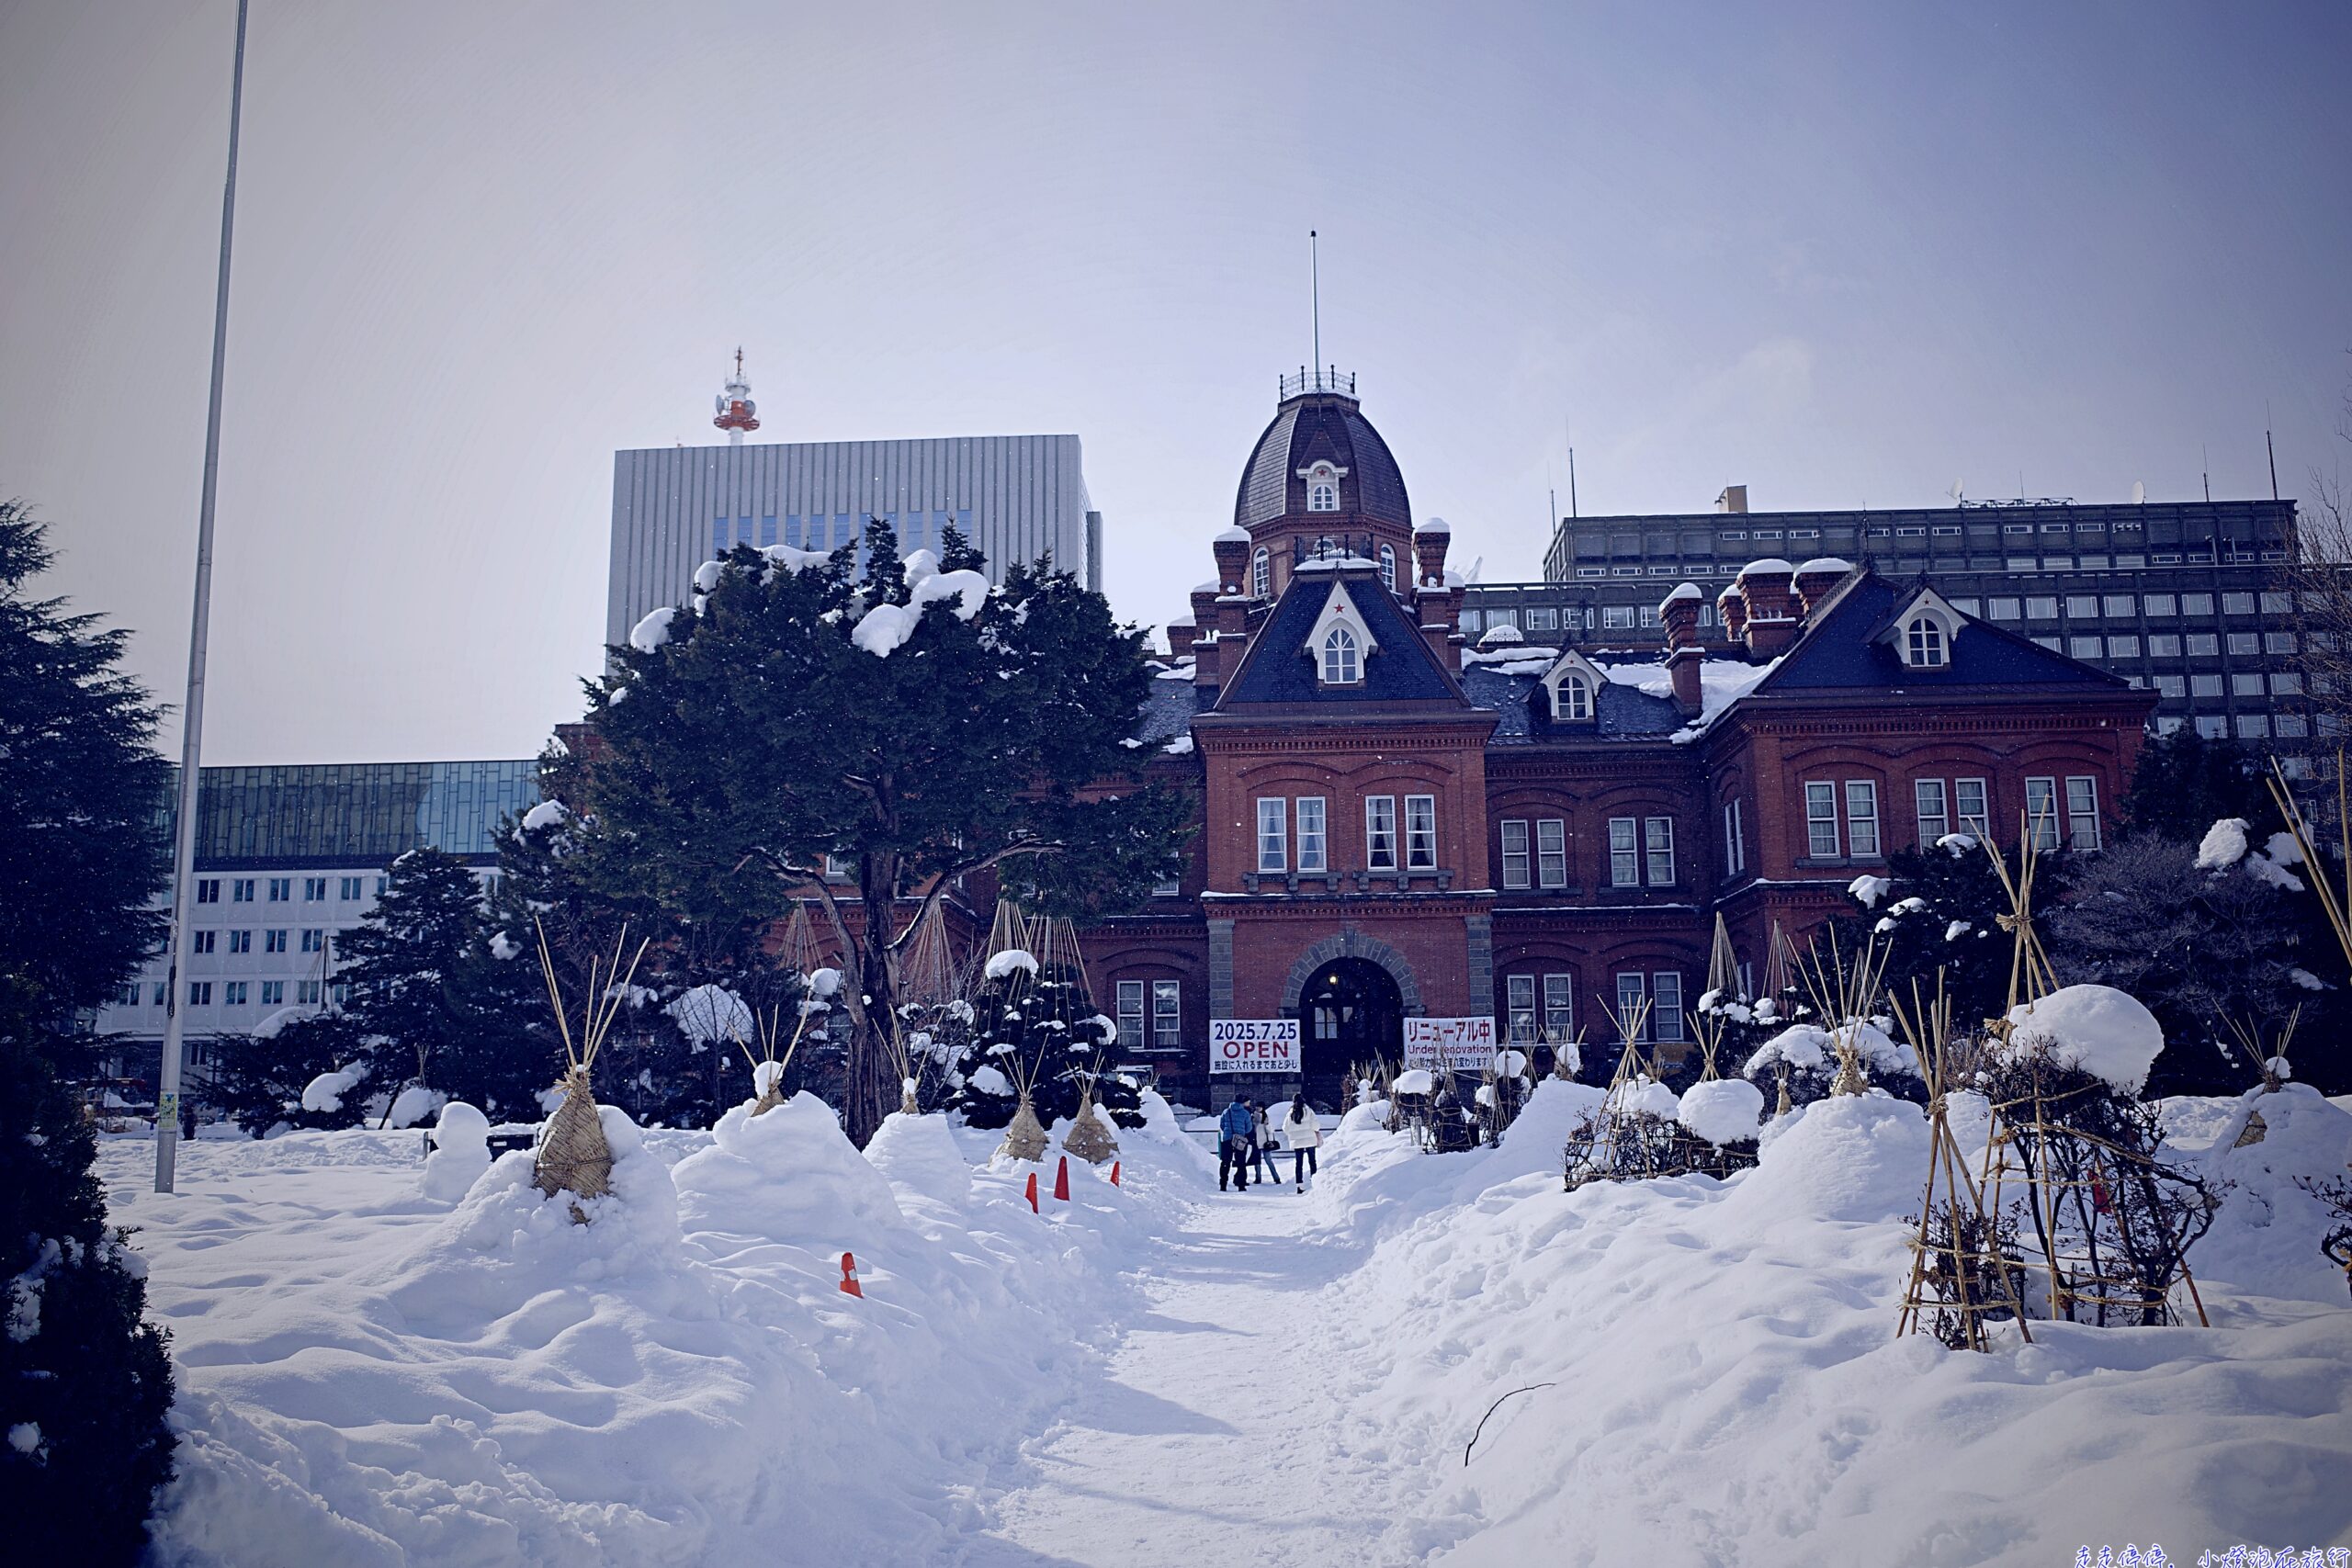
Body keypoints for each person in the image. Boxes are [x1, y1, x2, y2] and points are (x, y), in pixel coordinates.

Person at [1280, 1092, 1321, 1191]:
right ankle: (1314, 1182)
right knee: (1312, 1162)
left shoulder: (1290, 1113)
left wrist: (1293, 1134)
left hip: (1297, 1141)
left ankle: (1299, 1185)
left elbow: (1285, 1128)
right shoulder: (1308, 1111)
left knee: (1299, 1163)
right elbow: (1316, 1125)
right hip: (1309, 1139)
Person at [1217, 1096, 1255, 1191]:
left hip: (1227, 1139)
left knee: (1226, 1162)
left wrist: (1228, 1133)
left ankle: (1223, 1184)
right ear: (1242, 1103)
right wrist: (1241, 1132)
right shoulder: (1245, 1113)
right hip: (1240, 1140)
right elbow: (1249, 1128)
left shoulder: (1226, 1112)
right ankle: (1241, 1185)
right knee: (1241, 1162)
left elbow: (1222, 1125)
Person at [1250, 1100, 1279, 1186]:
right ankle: (1258, 1178)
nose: (1258, 1108)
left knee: (1268, 1160)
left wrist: (1266, 1125)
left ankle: (1276, 1177)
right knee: (1257, 1162)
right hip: (1256, 1142)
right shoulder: (1252, 1116)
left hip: (1265, 1142)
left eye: (1260, 1106)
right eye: (1257, 1106)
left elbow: (1270, 1131)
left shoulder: (1266, 1116)